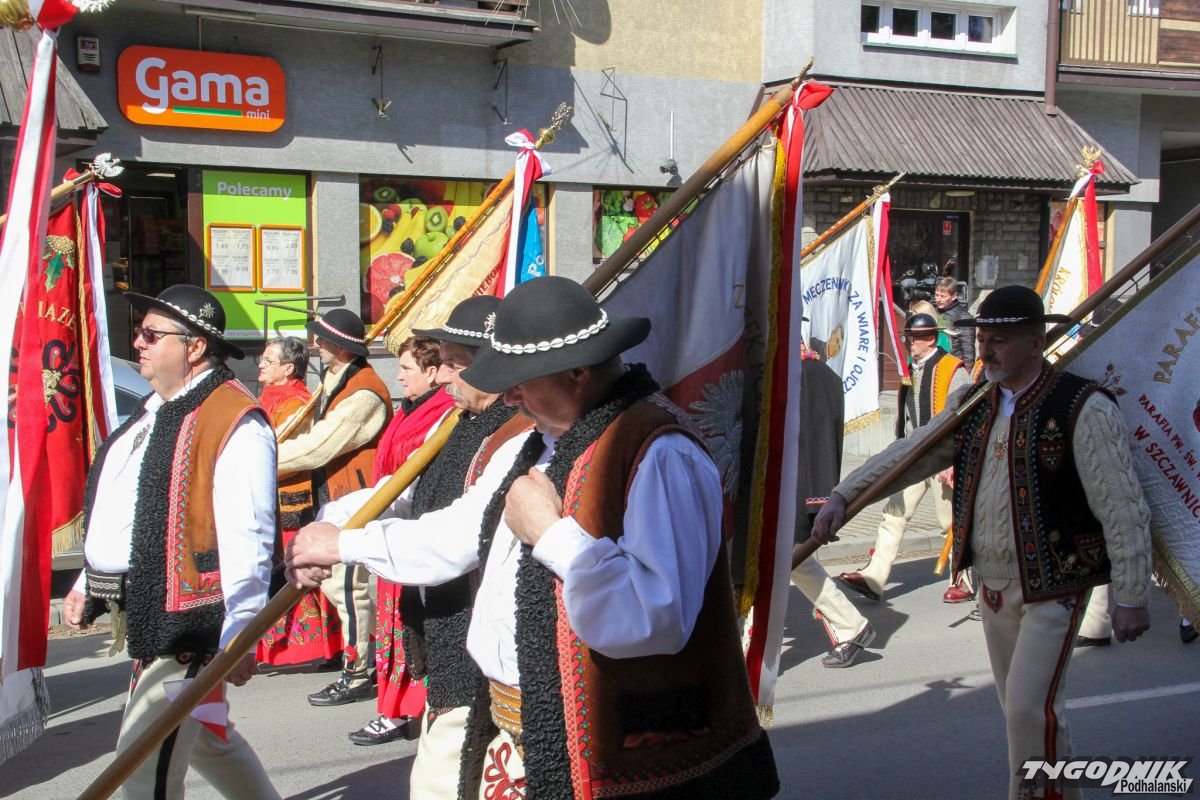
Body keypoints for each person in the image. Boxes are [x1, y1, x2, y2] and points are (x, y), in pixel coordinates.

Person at [288, 276, 779, 799]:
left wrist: (550, 533)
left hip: (615, 756)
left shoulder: (660, 454)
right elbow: (457, 530)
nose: (511, 395)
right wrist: (342, 542)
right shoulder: (533, 443)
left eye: (522, 379)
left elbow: (656, 617)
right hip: (521, 732)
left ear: (578, 371)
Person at [813, 285, 1152, 800]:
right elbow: (913, 452)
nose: (986, 351)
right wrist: (845, 495)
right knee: (1022, 713)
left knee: (1029, 710)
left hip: (1055, 583)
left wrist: (1130, 595)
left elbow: (1122, 506)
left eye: (1000, 341)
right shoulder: (975, 402)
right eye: (984, 338)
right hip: (991, 583)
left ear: (1036, 343)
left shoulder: (1081, 405)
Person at [63, 284, 280, 799]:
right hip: (155, 609)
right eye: (140, 332)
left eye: (151, 334)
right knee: (206, 739)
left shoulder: (233, 419)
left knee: (142, 769)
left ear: (195, 346)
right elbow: (125, 508)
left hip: (190, 622)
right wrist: (88, 579)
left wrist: (241, 631)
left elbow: (249, 535)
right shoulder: (157, 407)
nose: (138, 342)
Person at [320, 296, 531, 795]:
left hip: (483, 642)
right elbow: (402, 493)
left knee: (442, 780)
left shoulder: (519, 435)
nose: (443, 377)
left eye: (455, 364)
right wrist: (326, 525)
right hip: (448, 632)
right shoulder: (457, 421)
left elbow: (459, 538)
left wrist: (345, 546)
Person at [278, 308, 393, 707]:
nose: (316, 345)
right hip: (338, 497)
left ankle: (358, 672)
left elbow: (321, 445)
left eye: (323, 340)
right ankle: (368, 655)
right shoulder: (335, 379)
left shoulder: (364, 393)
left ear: (342, 348)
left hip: (354, 500)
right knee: (338, 587)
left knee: (349, 589)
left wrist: (265, 457)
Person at [352, 335, 456, 746]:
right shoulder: (410, 408)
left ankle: (406, 710)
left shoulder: (441, 413)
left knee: (409, 627)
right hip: (388, 524)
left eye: (407, 368)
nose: (398, 376)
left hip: (411, 529)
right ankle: (394, 707)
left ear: (432, 372)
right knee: (393, 623)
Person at [839, 312, 972, 604]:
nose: (908, 343)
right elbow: (908, 416)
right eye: (907, 337)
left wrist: (953, 461)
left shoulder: (953, 369)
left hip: (942, 458)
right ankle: (874, 577)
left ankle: (962, 579)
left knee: (949, 522)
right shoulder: (910, 370)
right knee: (893, 514)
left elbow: (962, 417)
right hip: (913, 455)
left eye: (913, 338)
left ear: (930, 339)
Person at [255, 336, 345, 667]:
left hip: (289, 500)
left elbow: (293, 454)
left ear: (288, 368)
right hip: (268, 498)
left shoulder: (297, 404)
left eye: (268, 361)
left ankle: (330, 646)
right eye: (262, 359)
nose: (261, 365)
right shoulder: (266, 398)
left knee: (300, 571)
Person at [790, 340, 876, 668]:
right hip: (778, 490)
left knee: (783, 563)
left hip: (797, 490)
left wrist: (817, 501)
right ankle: (852, 626)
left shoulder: (811, 375)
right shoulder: (791, 372)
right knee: (783, 564)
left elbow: (818, 445)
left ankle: (851, 625)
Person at [934, 276, 975, 365]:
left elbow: (968, 352)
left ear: (953, 296)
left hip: (953, 366)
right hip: (936, 365)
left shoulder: (964, 317)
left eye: (943, 296)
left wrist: (966, 372)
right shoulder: (935, 313)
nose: (938, 299)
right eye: (937, 295)